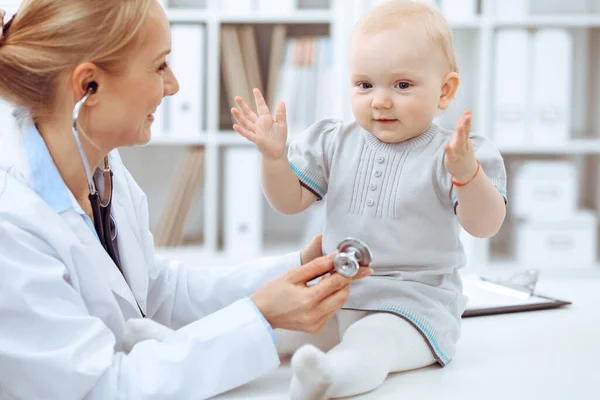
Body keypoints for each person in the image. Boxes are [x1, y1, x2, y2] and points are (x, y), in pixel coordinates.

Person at [0, 1, 373, 399]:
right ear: (87, 86)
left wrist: (298, 267)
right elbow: (102, 388)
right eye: (160, 65)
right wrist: (261, 316)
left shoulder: (96, 163)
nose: (173, 85)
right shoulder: (13, 222)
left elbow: (159, 294)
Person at [231, 0, 508, 399]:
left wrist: (467, 176)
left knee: (371, 341)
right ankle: (177, 346)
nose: (380, 100)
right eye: (365, 85)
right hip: (337, 291)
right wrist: (274, 158)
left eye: (402, 85)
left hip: (414, 307)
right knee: (271, 327)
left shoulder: (455, 153)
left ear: (445, 91)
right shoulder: (333, 141)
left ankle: (330, 380)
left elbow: (484, 225)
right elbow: (288, 202)